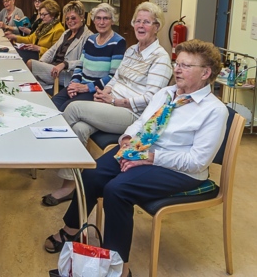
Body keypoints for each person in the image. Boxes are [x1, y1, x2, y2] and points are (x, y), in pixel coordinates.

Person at [44, 40, 228, 277]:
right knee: (91, 173)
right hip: (143, 150)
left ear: (206, 73)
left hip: (179, 170)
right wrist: (128, 138)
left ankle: (119, 269)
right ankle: (72, 230)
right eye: (177, 63)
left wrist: (150, 157)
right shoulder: (166, 93)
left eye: (186, 65)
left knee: (117, 190)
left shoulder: (214, 110)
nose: (178, 69)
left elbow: (197, 161)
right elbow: (141, 122)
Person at [42, 2, 173, 206]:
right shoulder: (131, 50)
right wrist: (105, 92)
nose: (140, 25)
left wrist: (116, 100)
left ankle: (49, 154)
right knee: (79, 127)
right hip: (111, 104)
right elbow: (116, 78)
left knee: (73, 108)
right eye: (137, 21)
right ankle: (69, 186)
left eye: (146, 22)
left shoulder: (160, 58)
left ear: (157, 26)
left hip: (133, 114)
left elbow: (152, 99)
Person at [50, 3, 126, 112]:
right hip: (79, 85)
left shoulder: (118, 42)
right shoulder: (90, 39)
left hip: (96, 91)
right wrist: (74, 84)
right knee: (52, 104)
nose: (101, 22)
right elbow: (79, 66)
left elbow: (113, 76)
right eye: (98, 18)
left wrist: (86, 87)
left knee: (65, 109)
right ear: (94, 20)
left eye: (106, 18)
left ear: (112, 21)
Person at [26, 0, 92, 92]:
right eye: (67, 18)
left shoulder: (88, 37)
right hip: (53, 68)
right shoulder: (66, 33)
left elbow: (84, 62)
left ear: (81, 17)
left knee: (30, 64)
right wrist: (41, 62)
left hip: (66, 74)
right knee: (30, 70)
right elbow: (52, 51)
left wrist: (65, 64)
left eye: (73, 18)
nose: (70, 21)